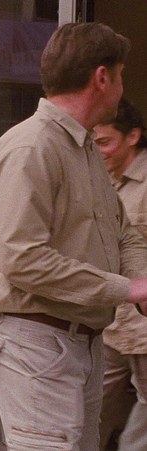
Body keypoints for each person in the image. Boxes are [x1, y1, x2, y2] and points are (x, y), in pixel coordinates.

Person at [0, 22, 147, 450]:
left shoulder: (83, 148)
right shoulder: (30, 148)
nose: (122, 87)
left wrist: (140, 283)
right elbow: (23, 260)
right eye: (120, 75)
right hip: (36, 343)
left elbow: (124, 233)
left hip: (81, 341)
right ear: (101, 78)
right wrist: (126, 289)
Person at [94, 98, 147, 450]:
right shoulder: (107, 182)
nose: (98, 151)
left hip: (143, 329)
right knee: (91, 413)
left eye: (105, 142)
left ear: (133, 136)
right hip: (113, 325)